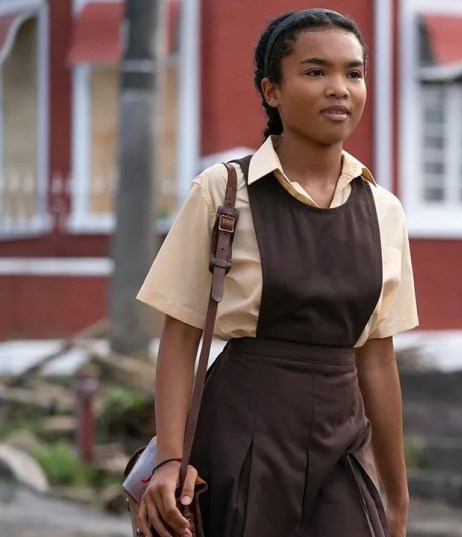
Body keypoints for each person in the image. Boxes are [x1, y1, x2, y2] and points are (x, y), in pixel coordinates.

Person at [134, 9, 417, 536]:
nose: (340, 88)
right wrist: (171, 460)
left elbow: (377, 360)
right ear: (272, 91)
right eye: (315, 72)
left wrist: (396, 500)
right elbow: (181, 335)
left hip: (342, 438)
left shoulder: (384, 210)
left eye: (353, 73)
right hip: (243, 432)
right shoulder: (223, 193)